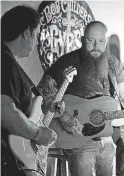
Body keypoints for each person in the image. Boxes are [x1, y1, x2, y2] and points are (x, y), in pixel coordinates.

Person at [38, 21, 124, 176]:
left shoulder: (113, 64)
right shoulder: (66, 62)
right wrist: (64, 118)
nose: (96, 46)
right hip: (79, 142)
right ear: (83, 39)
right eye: (91, 40)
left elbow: (123, 90)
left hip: (107, 140)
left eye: (101, 41)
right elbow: (44, 98)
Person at [1, 5, 65, 176]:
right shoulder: (4, 61)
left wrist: (47, 109)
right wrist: (37, 133)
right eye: (36, 34)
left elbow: (23, 110)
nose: (36, 41)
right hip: (9, 161)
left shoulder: (9, 62)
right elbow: (4, 111)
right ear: (27, 32)